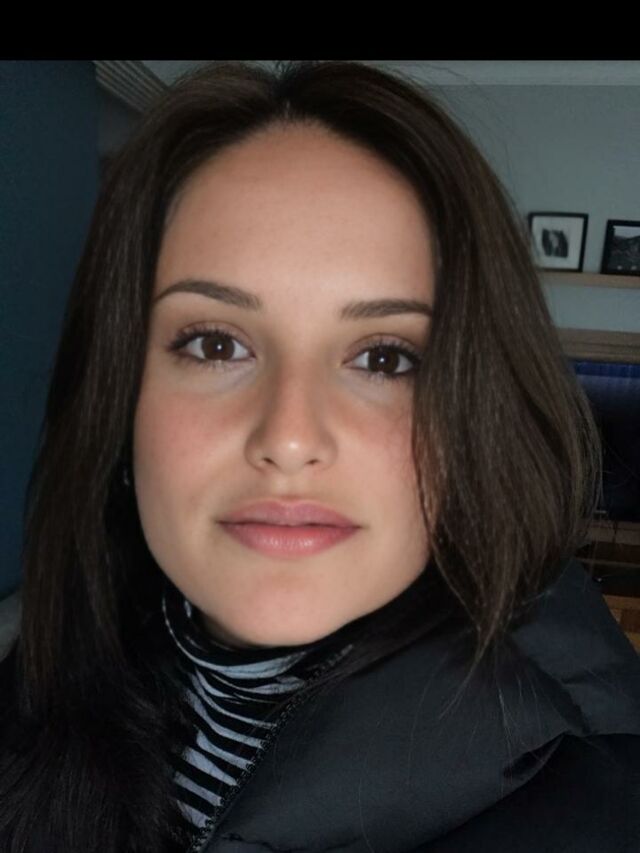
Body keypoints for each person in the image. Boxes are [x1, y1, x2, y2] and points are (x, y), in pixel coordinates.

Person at [0, 59, 638, 853]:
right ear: (119, 395)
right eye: (215, 343)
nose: (291, 436)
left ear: (472, 419)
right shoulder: (37, 678)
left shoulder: (597, 804)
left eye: (383, 358)